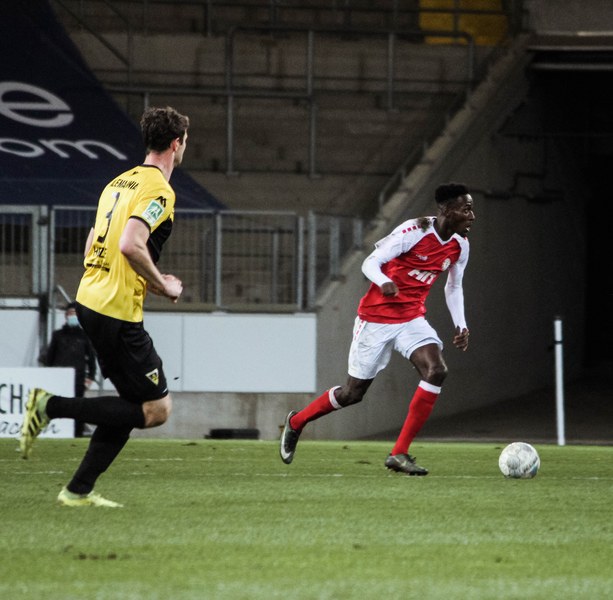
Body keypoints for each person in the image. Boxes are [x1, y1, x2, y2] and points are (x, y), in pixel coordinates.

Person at [20, 106, 189, 507]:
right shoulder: (160, 191)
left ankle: (77, 490)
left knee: (131, 404)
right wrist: (161, 283)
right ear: (176, 144)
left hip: (89, 299)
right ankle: (49, 405)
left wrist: (135, 277)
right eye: (185, 141)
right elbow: (130, 243)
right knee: (157, 409)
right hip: (115, 311)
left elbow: (93, 244)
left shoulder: (118, 183)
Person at [280, 182, 474, 475]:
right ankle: (297, 422)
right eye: (466, 209)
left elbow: (454, 286)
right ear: (446, 209)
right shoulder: (415, 231)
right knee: (352, 393)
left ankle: (399, 453)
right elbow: (371, 262)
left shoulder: (460, 245)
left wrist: (461, 324)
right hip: (376, 319)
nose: (472, 216)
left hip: (411, 319)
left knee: (437, 370)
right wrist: (383, 281)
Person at [42, 301, 97, 437]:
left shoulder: (85, 336)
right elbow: (50, 357)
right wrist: (48, 375)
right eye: (71, 313)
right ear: (66, 315)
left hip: (78, 378)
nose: (73, 316)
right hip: (59, 378)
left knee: (78, 406)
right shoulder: (58, 335)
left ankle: (77, 433)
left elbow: (91, 359)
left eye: (76, 314)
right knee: (59, 405)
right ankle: (57, 431)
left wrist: (90, 377)